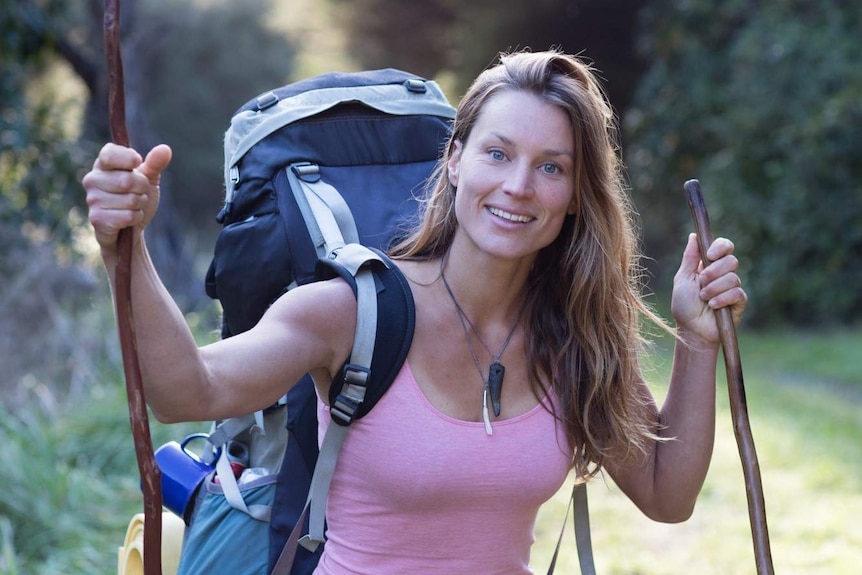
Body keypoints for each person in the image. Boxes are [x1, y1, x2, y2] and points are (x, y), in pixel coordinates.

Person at [83, 49, 747, 574]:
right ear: (455, 160)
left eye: (552, 167)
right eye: (498, 153)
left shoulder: (571, 338)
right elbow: (185, 388)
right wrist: (127, 250)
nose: (519, 185)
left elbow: (666, 493)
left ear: (576, 195)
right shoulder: (352, 312)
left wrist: (696, 337)